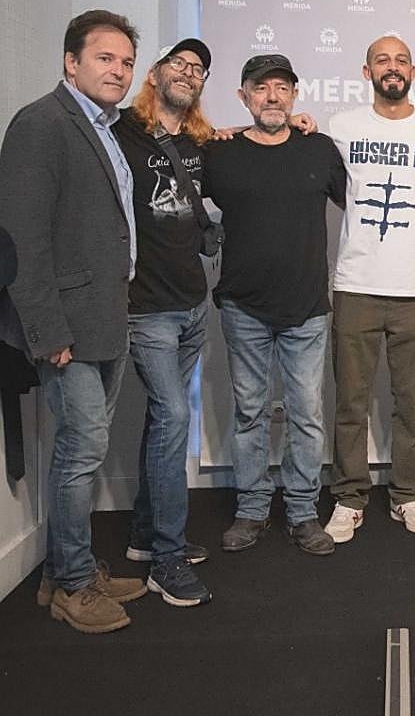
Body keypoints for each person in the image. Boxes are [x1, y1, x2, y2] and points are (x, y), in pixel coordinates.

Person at [0, 10, 147, 633]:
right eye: (105, 59)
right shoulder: (41, 124)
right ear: (71, 62)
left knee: (84, 448)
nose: (118, 71)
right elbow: (20, 240)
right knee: (81, 449)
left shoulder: (102, 126)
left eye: (125, 62)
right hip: (67, 327)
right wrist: (48, 331)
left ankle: (72, 567)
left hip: (104, 318)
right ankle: (70, 586)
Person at [205, 54, 346, 556]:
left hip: (307, 307)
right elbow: (173, 201)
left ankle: (304, 512)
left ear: (294, 96)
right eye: (261, 87)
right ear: (244, 96)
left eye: (282, 87)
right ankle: (251, 509)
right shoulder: (218, 152)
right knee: (250, 412)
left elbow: (362, 206)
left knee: (307, 413)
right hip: (244, 306)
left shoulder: (320, 149)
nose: (272, 96)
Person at [324, 35, 415, 544]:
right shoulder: (340, 127)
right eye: (382, 60)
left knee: (410, 400)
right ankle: (348, 498)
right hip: (357, 283)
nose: (393, 67)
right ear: (367, 71)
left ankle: (407, 495)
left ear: (413, 71)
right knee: (350, 402)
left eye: (402, 60)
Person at [112, 39, 218, 606]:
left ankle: (142, 539)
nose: (188, 73)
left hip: (191, 304)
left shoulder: (201, 142)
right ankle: (166, 560)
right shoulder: (120, 131)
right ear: (154, 74)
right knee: (175, 417)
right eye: (178, 63)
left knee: (162, 421)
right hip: (146, 307)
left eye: (197, 69)